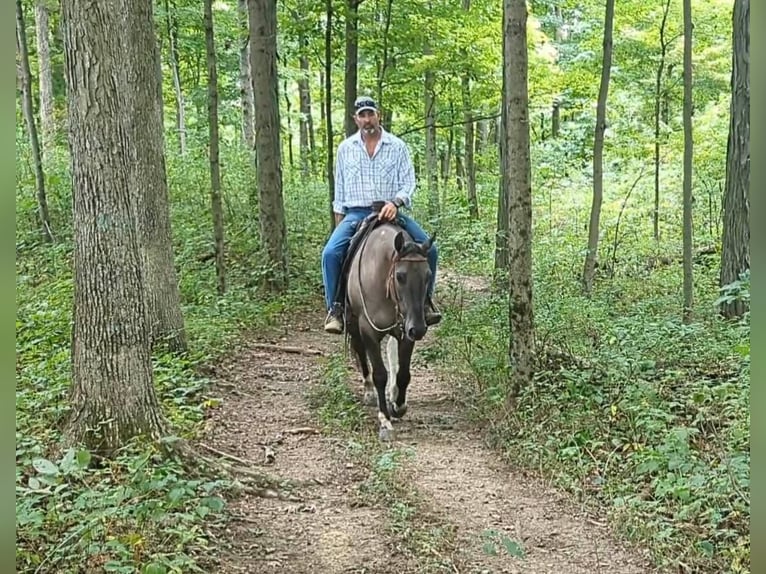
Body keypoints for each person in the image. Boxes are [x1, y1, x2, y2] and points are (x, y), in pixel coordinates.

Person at [321, 95, 441, 334]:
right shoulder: (345, 149)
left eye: (371, 114)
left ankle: (426, 302)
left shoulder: (397, 146)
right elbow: (340, 190)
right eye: (362, 115)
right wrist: (339, 222)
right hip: (356, 213)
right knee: (331, 253)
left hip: (389, 211)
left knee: (432, 250)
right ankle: (335, 308)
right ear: (356, 119)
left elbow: (408, 182)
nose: (367, 120)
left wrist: (396, 202)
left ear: (379, 115)